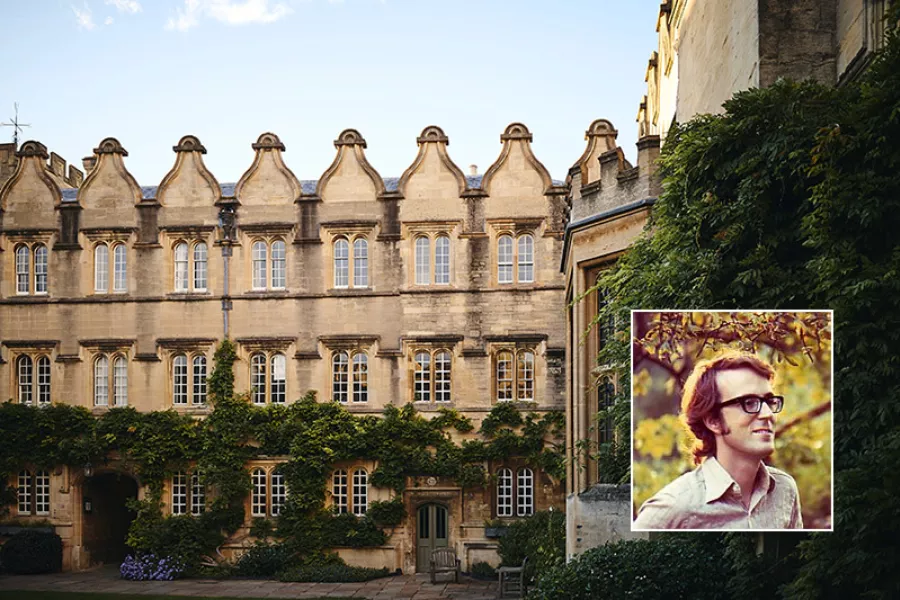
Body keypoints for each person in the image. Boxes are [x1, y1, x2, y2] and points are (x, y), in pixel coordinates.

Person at [633, 352, 803, 529]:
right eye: (749, 402)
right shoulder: (675, 507)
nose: (768, 414)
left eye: (769, 401)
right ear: (713, 421)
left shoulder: (784, 490)